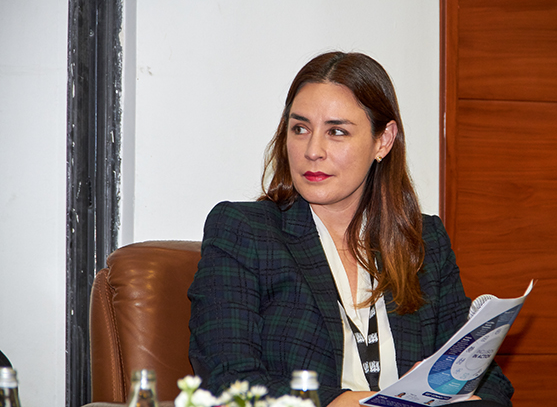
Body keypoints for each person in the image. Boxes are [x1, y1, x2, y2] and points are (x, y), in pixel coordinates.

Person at [188, 52, 514, 407]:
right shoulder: (245, 231)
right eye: (300, 129)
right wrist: (366, 402)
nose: (313, 150)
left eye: (336, 132)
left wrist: (448, 395)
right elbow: (228, 381)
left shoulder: (423, 241)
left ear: (382, 141)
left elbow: (490, 384)